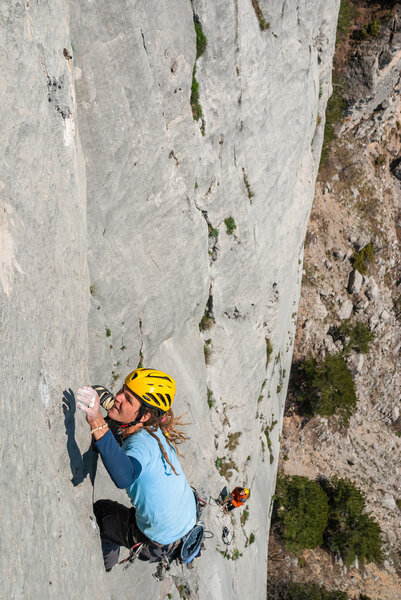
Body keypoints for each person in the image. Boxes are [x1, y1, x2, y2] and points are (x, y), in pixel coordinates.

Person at [77, 368, 196, 571]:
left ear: (145, 415)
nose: (118, 397)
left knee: (102, 512)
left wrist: (97, 421)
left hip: (157, 541)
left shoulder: (141, 445)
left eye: (128, 399)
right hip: (184, 521)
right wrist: (111, 413)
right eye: (123, 389)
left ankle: (102, 566)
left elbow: (124, 476)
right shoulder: (152, 428)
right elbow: (119, 433)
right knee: (113, 432)